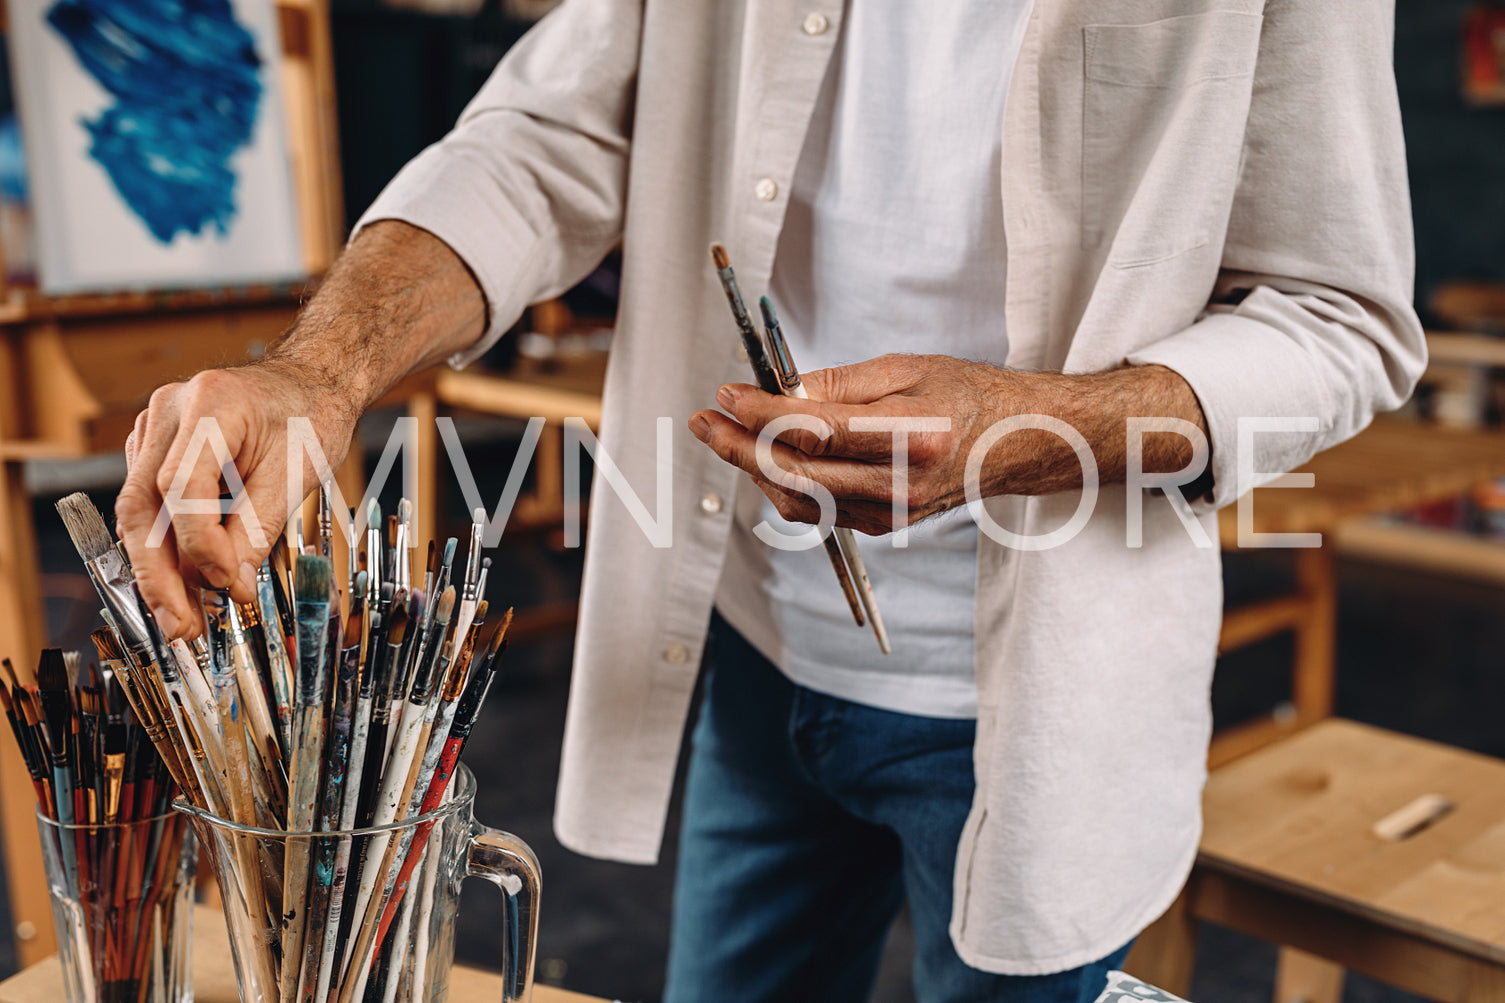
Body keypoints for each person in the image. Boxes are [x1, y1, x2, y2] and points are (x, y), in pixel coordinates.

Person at [116, 1, 1425, 1000]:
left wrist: (1033, 434)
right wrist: (317, 374)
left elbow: (1340, 322)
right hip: (752, 649)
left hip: (1044, 706)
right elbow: (540, 145)